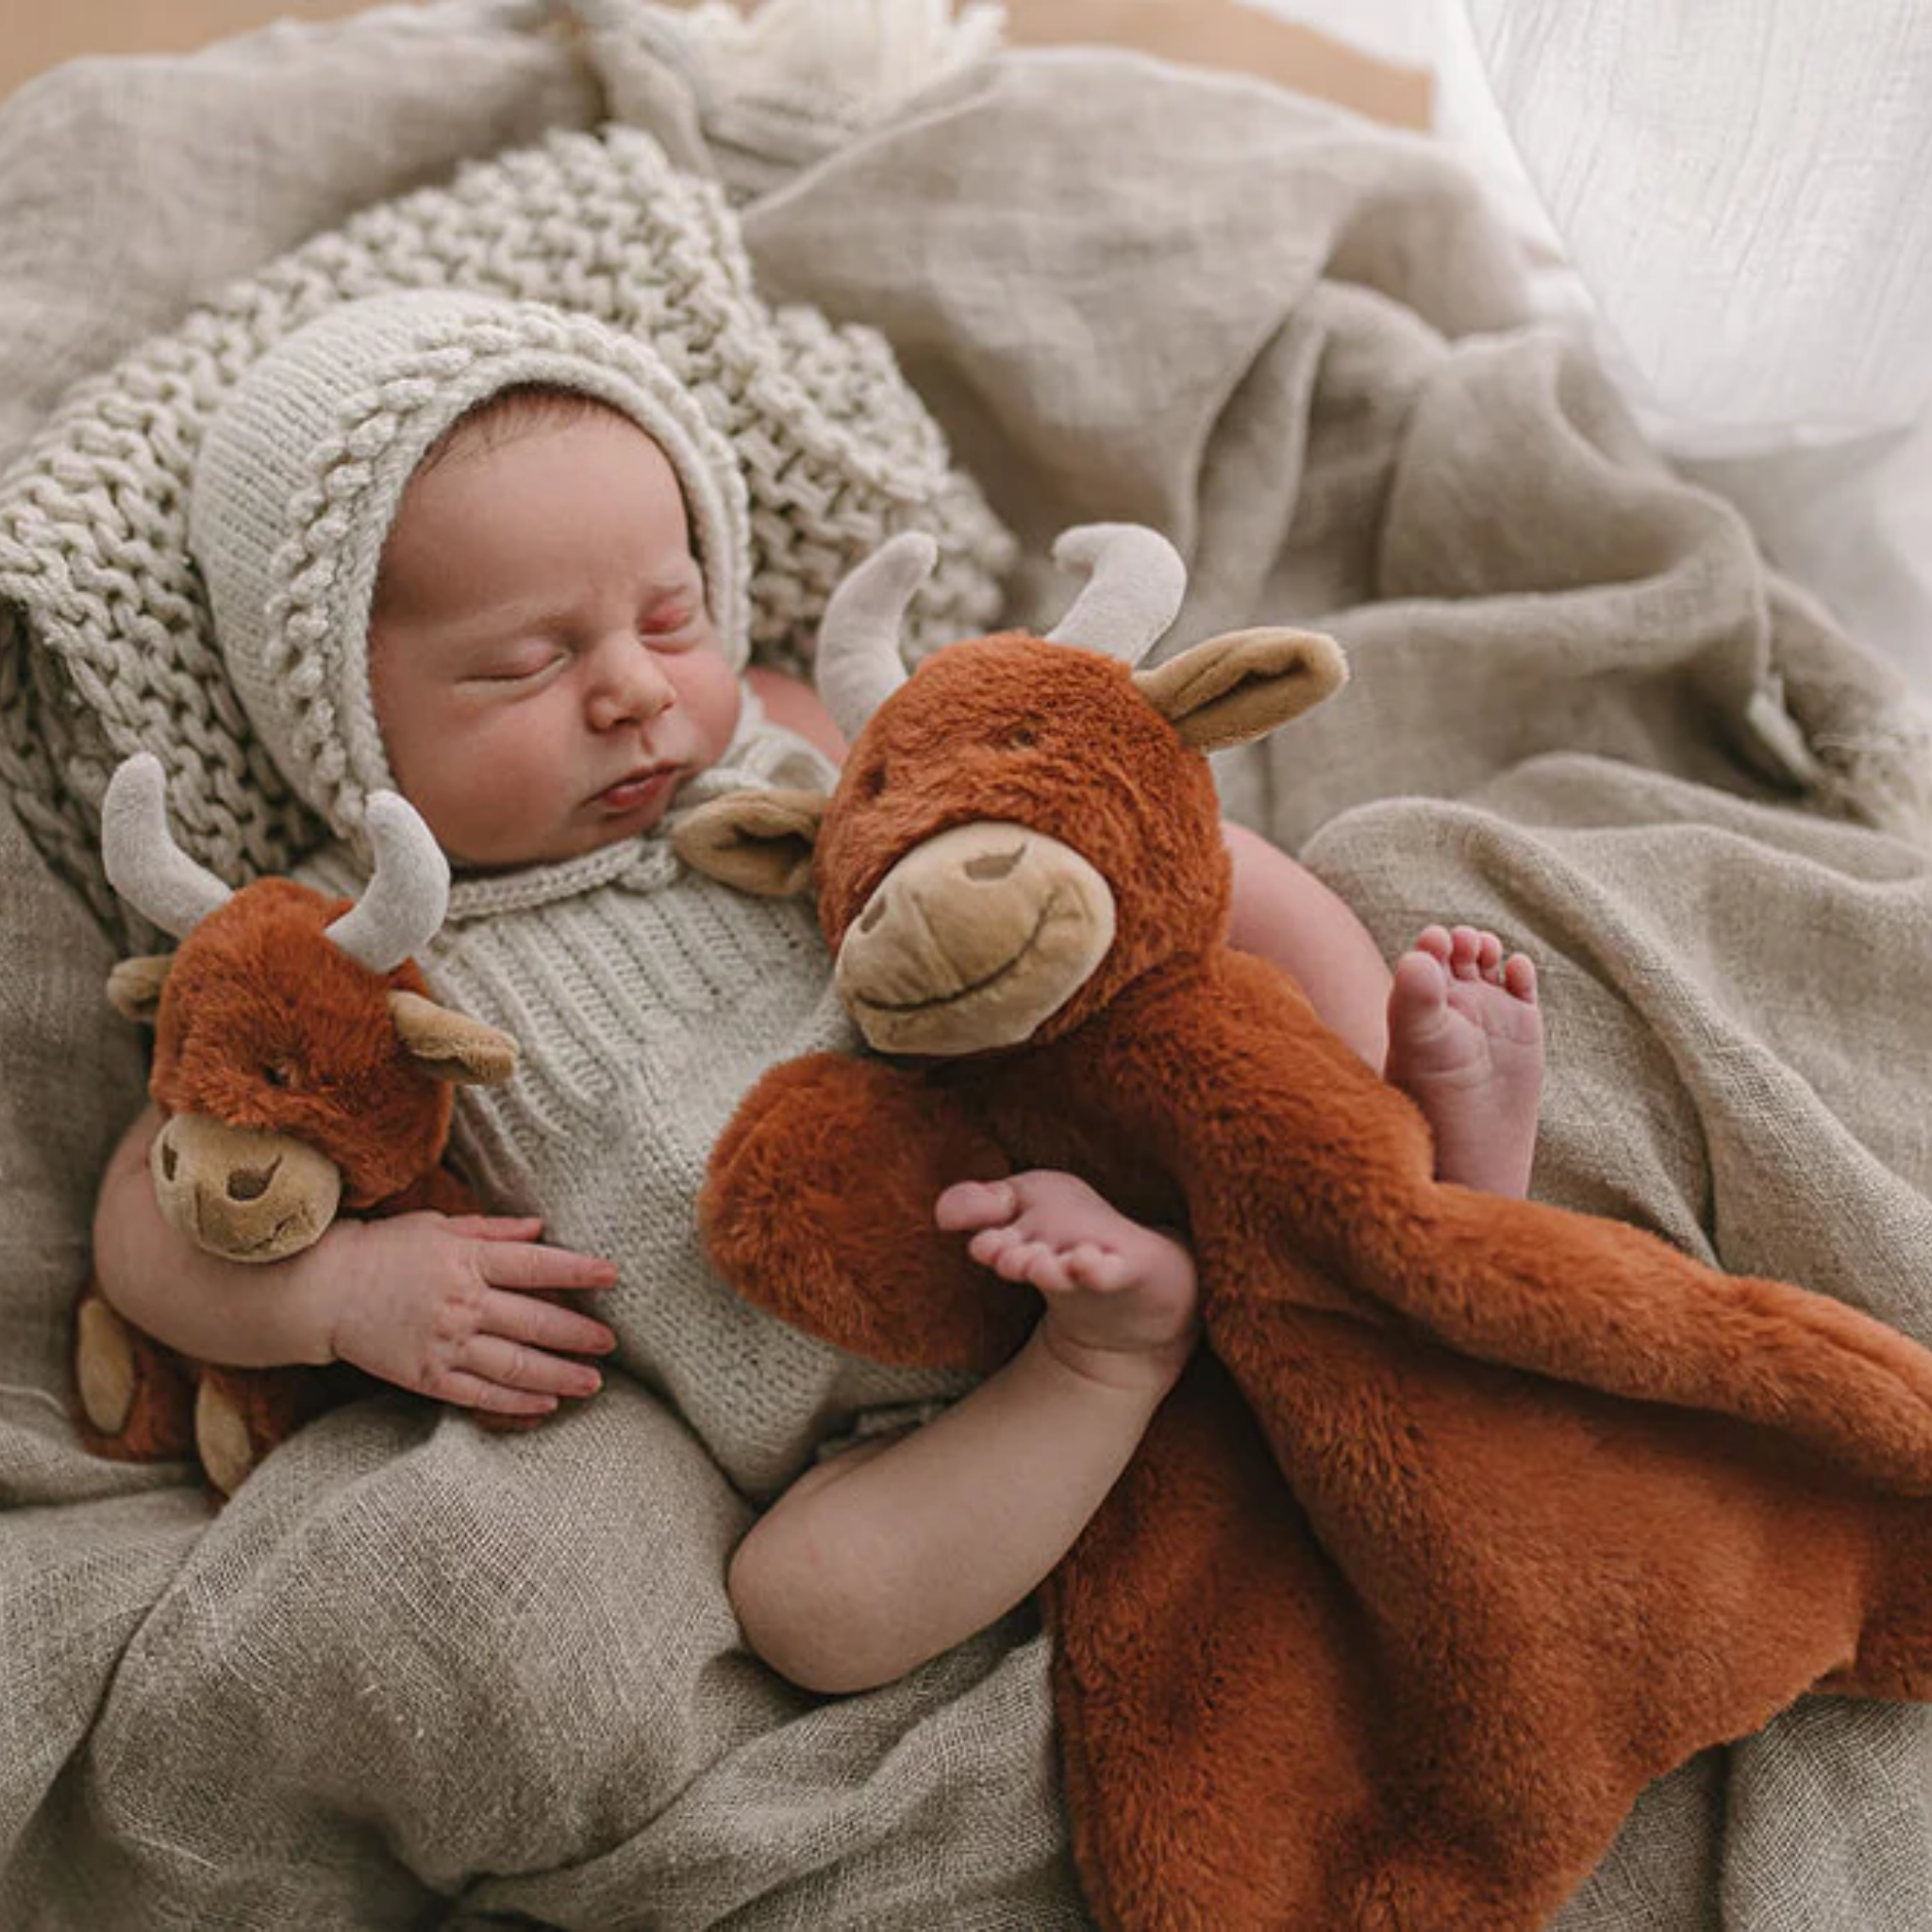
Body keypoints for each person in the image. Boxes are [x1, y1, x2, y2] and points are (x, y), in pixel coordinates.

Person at [89, 288, 1543, 1699]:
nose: (635, 694)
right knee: (804, 1615)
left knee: (1158, 858)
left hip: (1089, 1147)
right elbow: (150, 1215)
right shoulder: (327, 946)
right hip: (874, 1432)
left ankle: (1404, 1130)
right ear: (342, 714)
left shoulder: (779, 743)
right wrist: (345, 1292)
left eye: (670, 620)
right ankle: (1113, 1359)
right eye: (525, 664)